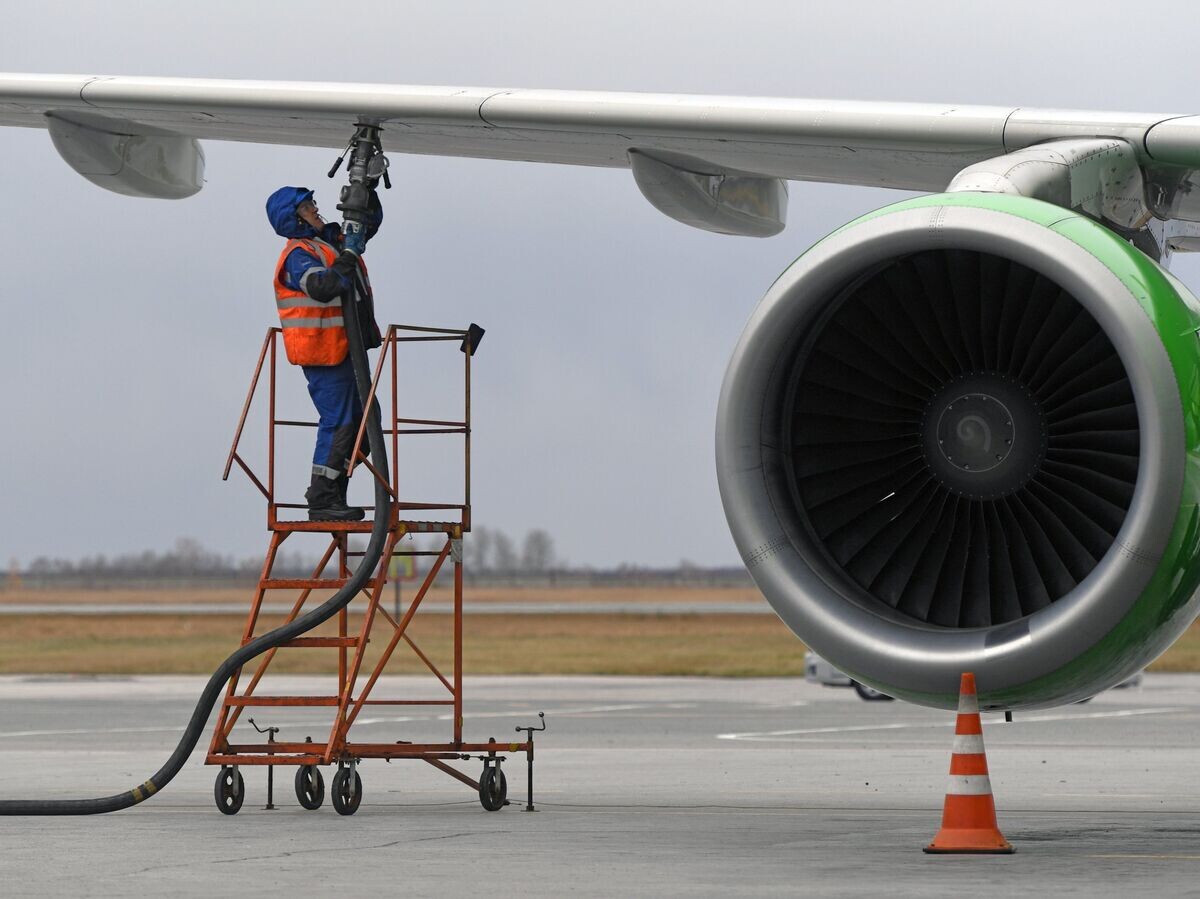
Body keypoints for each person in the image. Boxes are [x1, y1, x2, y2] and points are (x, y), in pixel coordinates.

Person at [265, 185, 384, 521]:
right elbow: (323, 286)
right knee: (342, 422)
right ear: (294, 218)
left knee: (367, 422)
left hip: (347, 349)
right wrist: (348, 257)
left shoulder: (327, 243)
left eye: (313, 204)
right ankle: (322, 499)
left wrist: (367, 193)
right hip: (324, 354)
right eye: (307, 207)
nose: (316, 209)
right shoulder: (298, 256)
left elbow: (367, 227)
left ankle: (333, 491)